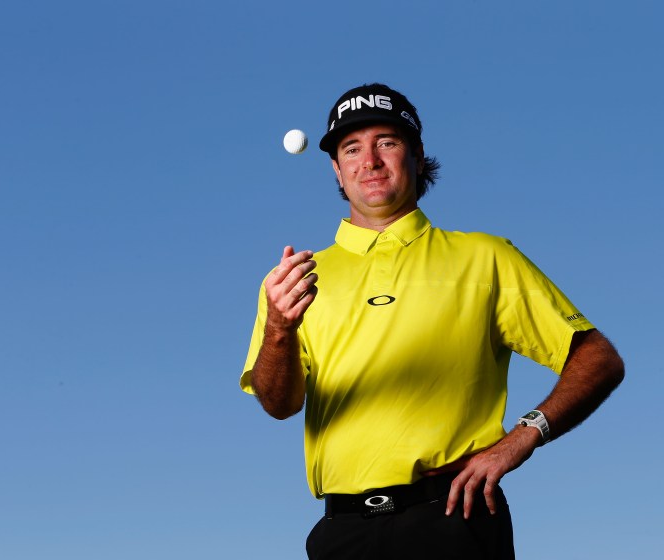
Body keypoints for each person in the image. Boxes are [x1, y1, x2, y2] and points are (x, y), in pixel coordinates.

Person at [240, 83, 625, 559]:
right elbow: (280, 404)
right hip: (342, 532)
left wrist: (524, 436)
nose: (370, 160)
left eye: (388, 142)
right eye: (352, 148)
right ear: (337, 170)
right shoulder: (294, 280)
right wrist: (278, 329)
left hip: (453, 519)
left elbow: (598, 358)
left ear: (418, 157)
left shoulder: (484, 257)